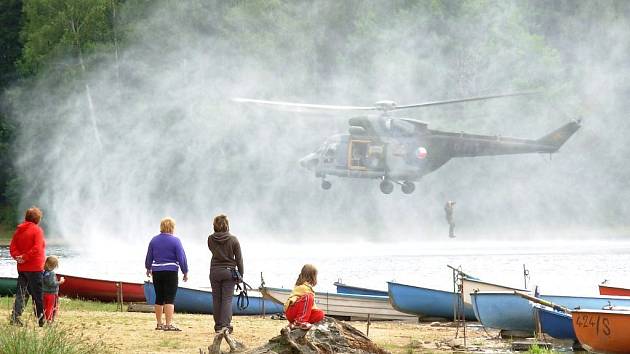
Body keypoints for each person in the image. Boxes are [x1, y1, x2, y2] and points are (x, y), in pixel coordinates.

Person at [145, 217, 189, 331]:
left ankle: (159, 324)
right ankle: (168, 324)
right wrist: (185, 271)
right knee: (170, 298)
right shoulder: (176, 241)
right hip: (171, 271)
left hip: (157, 271)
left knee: (159, 297)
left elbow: (149, 256)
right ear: (172, 227)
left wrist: (148, 268)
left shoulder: (154, 240)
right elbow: (181, 257)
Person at [10, 207, 46, 326]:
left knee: (22, 293)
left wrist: (18, 257)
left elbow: (12, 248)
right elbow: (37, 248)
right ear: (37, 218)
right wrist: (25, 257)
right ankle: (41, 320)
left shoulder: (18, 230)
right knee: (37, 295)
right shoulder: (37, 230)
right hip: (35, 268)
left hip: (22, 268)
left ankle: (15, 317)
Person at [207, 214, 243, 334]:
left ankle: (218, 326)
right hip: (229, 272)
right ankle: (225, 326)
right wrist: (241, 275)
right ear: (227, 225)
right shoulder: (233, 240)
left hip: (214, 272)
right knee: (227, 300)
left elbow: (213, 251)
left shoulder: (210, 239)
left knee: (216, 299)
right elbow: (239, 259)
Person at [284, 264, 325, 330]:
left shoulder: (308, 288)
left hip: (299, 314)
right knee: (308, 297)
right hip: (291, 311)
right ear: (312, 276)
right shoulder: (302, 287)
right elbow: (296, 301)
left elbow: (310, 306)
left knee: (320, 314)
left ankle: (294, 324)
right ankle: (299, 322)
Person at [42, 255, 65, 323]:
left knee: (45, 306)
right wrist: (60, 282)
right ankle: (49, 319)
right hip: (51, 294)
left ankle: (44, 318)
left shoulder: (44, 272)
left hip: (44, 293)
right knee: (51, 307)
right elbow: (51, 284)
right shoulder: (51, 273)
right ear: (55, 265)